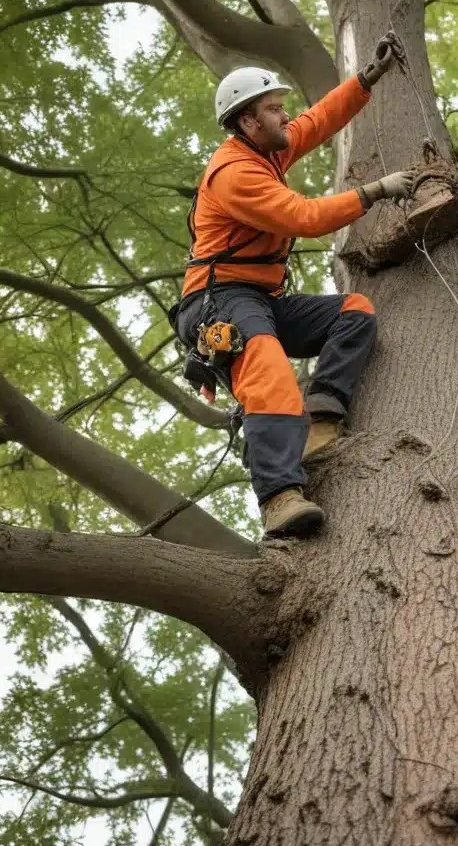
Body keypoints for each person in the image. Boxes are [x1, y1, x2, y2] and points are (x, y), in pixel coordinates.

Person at [174, 33, 415, 539]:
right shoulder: (235, 174)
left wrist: (366, 79)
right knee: (267, 371)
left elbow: (316, 122)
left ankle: (321, 417)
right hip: (219, 301)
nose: (286, 117)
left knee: (354, 311)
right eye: (275, 109)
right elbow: (303, 217)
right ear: (247, 121)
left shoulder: (268, 152)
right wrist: (375, 190)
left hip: (262, 299)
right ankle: (279, 497)